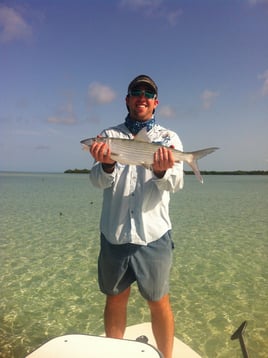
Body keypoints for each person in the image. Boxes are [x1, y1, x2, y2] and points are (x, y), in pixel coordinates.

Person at [89, 74, 184, 358]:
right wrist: (105, 167)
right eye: (136, 92)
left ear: (155, 103)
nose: (142, 96)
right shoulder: (108, 136)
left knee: (159, 302)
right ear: (128, 99)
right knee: (115, 300)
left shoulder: (169, 138)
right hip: (115, 235)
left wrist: (160, 170)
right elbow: (96, 182)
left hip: (153, 236)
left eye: (148, 93)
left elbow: (176, 184)